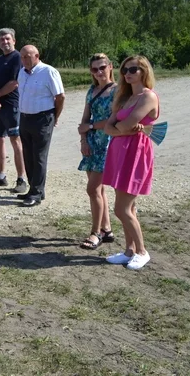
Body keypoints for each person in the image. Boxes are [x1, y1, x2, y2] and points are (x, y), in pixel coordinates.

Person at [102, 55, 159, 270]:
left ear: (144, 71)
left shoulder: (148, 97)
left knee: (122, 208)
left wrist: (120, 128)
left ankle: (142, 251)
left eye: (133, 69)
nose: (128, 73)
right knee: (129, 207)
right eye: (125, 69)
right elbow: (108, 127)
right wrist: (120, 129)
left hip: (136, 152)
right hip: (119, 151)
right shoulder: (124, 97)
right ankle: (129, 250)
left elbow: (124, 125)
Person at [15, 45, 65, 207]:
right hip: (25, 117)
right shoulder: (22, 72)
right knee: (28, 155)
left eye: (27, 56)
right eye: (22, 57)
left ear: (36, 55)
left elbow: (60, 96)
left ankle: (36, 193)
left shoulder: (48, 71)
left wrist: (54, 117)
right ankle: (34, 189)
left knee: (39, 156)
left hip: (43, 118)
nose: (24, 60)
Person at [77, 53, 117, 249]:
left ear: (110, 66)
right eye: (94, 69)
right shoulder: (92, 91)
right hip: (92, 143)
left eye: (102, 67)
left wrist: (90, 127)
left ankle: (96, 233)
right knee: (98, 190)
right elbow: (84, 119)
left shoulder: (118, 92)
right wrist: (84, 140)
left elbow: (114, 121)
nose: (99, 72)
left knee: (92, 189)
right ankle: (107, 229)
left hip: (108, 143)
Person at [0, 28, 28, 193]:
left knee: (15, 141)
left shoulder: (18, 58)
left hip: (11, 105)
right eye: (1, 40)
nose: (5, 42)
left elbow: (14, 83)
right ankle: (0, 176)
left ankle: (22, 179)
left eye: (7, 39)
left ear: (14, 40)